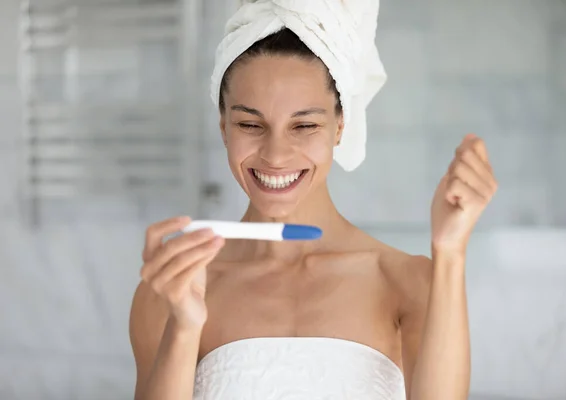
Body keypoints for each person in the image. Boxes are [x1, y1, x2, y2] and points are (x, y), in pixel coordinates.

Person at [129, 4, 498, 400]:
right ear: (223, 126)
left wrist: (451, 251)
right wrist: (184, 326)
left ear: (340, 127)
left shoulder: (408, 282)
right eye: (250, 125)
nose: (275, 154)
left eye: (304, 125)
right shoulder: (170, 288)